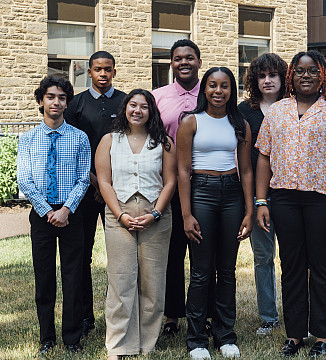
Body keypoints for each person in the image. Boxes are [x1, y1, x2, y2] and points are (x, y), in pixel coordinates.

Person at [255, 51, 326, 357]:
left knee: (325, 267)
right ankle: (295, 334)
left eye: (312, 70)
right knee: (292, 267)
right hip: (284, 199)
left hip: (323, 200)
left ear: (323, 75)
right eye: (299, 70)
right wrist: (262, 200)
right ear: (291, 75)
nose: (305, 75)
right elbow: (263, 156)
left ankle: (324, 336)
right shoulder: (277, 112)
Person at [176, 67, 254, 359]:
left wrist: (249, 210)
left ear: (231, 90)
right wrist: (186, 214)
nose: (218, 91)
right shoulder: (190, 122)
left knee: (228, 271)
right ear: (204, 89)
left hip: (232, 193)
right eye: (212, 85)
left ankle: (225, 336)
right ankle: (196, 340)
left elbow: (246, 170)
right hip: (202, 193)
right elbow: (183, 171)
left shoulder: (240, 123)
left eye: (224, 86)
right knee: (201, 272)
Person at [95, 89, 177, 358]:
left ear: (152, 111)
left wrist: (156, 213)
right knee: (121, 281)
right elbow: (104, 181)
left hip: (156, 216)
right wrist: (119, 214)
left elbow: (170, 181)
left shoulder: (163, 142)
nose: (138, 110)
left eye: (144, 106)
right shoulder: (109, 141)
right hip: (119, 215)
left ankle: (146, 343)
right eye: (133, 105)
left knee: (153, 282)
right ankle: (119, 345)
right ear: (125, 108)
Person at [17, 75, 91, 355]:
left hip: (71, 214)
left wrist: (65, 210)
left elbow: (83, 178)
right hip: (42, 215)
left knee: (73, 276)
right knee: (44, 277)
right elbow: (24, 180)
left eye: (61, 98)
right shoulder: (28, 139)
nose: (56, 102)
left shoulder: (79, 138)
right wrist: (48, 211)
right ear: (41, 101)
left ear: (67, 103)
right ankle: (46, 337)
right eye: (51, 97)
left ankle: (72, 338)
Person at [152, 39, 214, 337]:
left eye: (190, 57)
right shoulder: (158, 97)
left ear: (199, 62)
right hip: (170, 186)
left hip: (205, 184)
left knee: (204, 253)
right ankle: (172, 316)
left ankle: (207, 314)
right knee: (172, 253)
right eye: (178, 58)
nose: (184, 62)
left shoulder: (214, 92)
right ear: (171, 63)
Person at [64, 51, 126, 337]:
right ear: (89, 72)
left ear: (114, 71)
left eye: (108, 70)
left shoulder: (126, 101)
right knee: (82, 255)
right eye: (98, 70)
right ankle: (85, 318)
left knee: (123, 256)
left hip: (120, 190)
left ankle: (124, 316)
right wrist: (95, 184)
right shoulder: (76, 104)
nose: (103, 74)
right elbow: (72, 149)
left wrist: (109, 186)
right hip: (86, 190)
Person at [237, 53, 287, 336]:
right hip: (257, 196)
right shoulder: (244, 112)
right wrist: (252, 201)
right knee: (263, 257)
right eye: (262, 76)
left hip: (291, 195)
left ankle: (297, 311)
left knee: (295, 259)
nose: (267, 81)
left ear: (282, 78)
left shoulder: (295, 108)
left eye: (273, 75)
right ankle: (268, 316)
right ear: (255, 81)